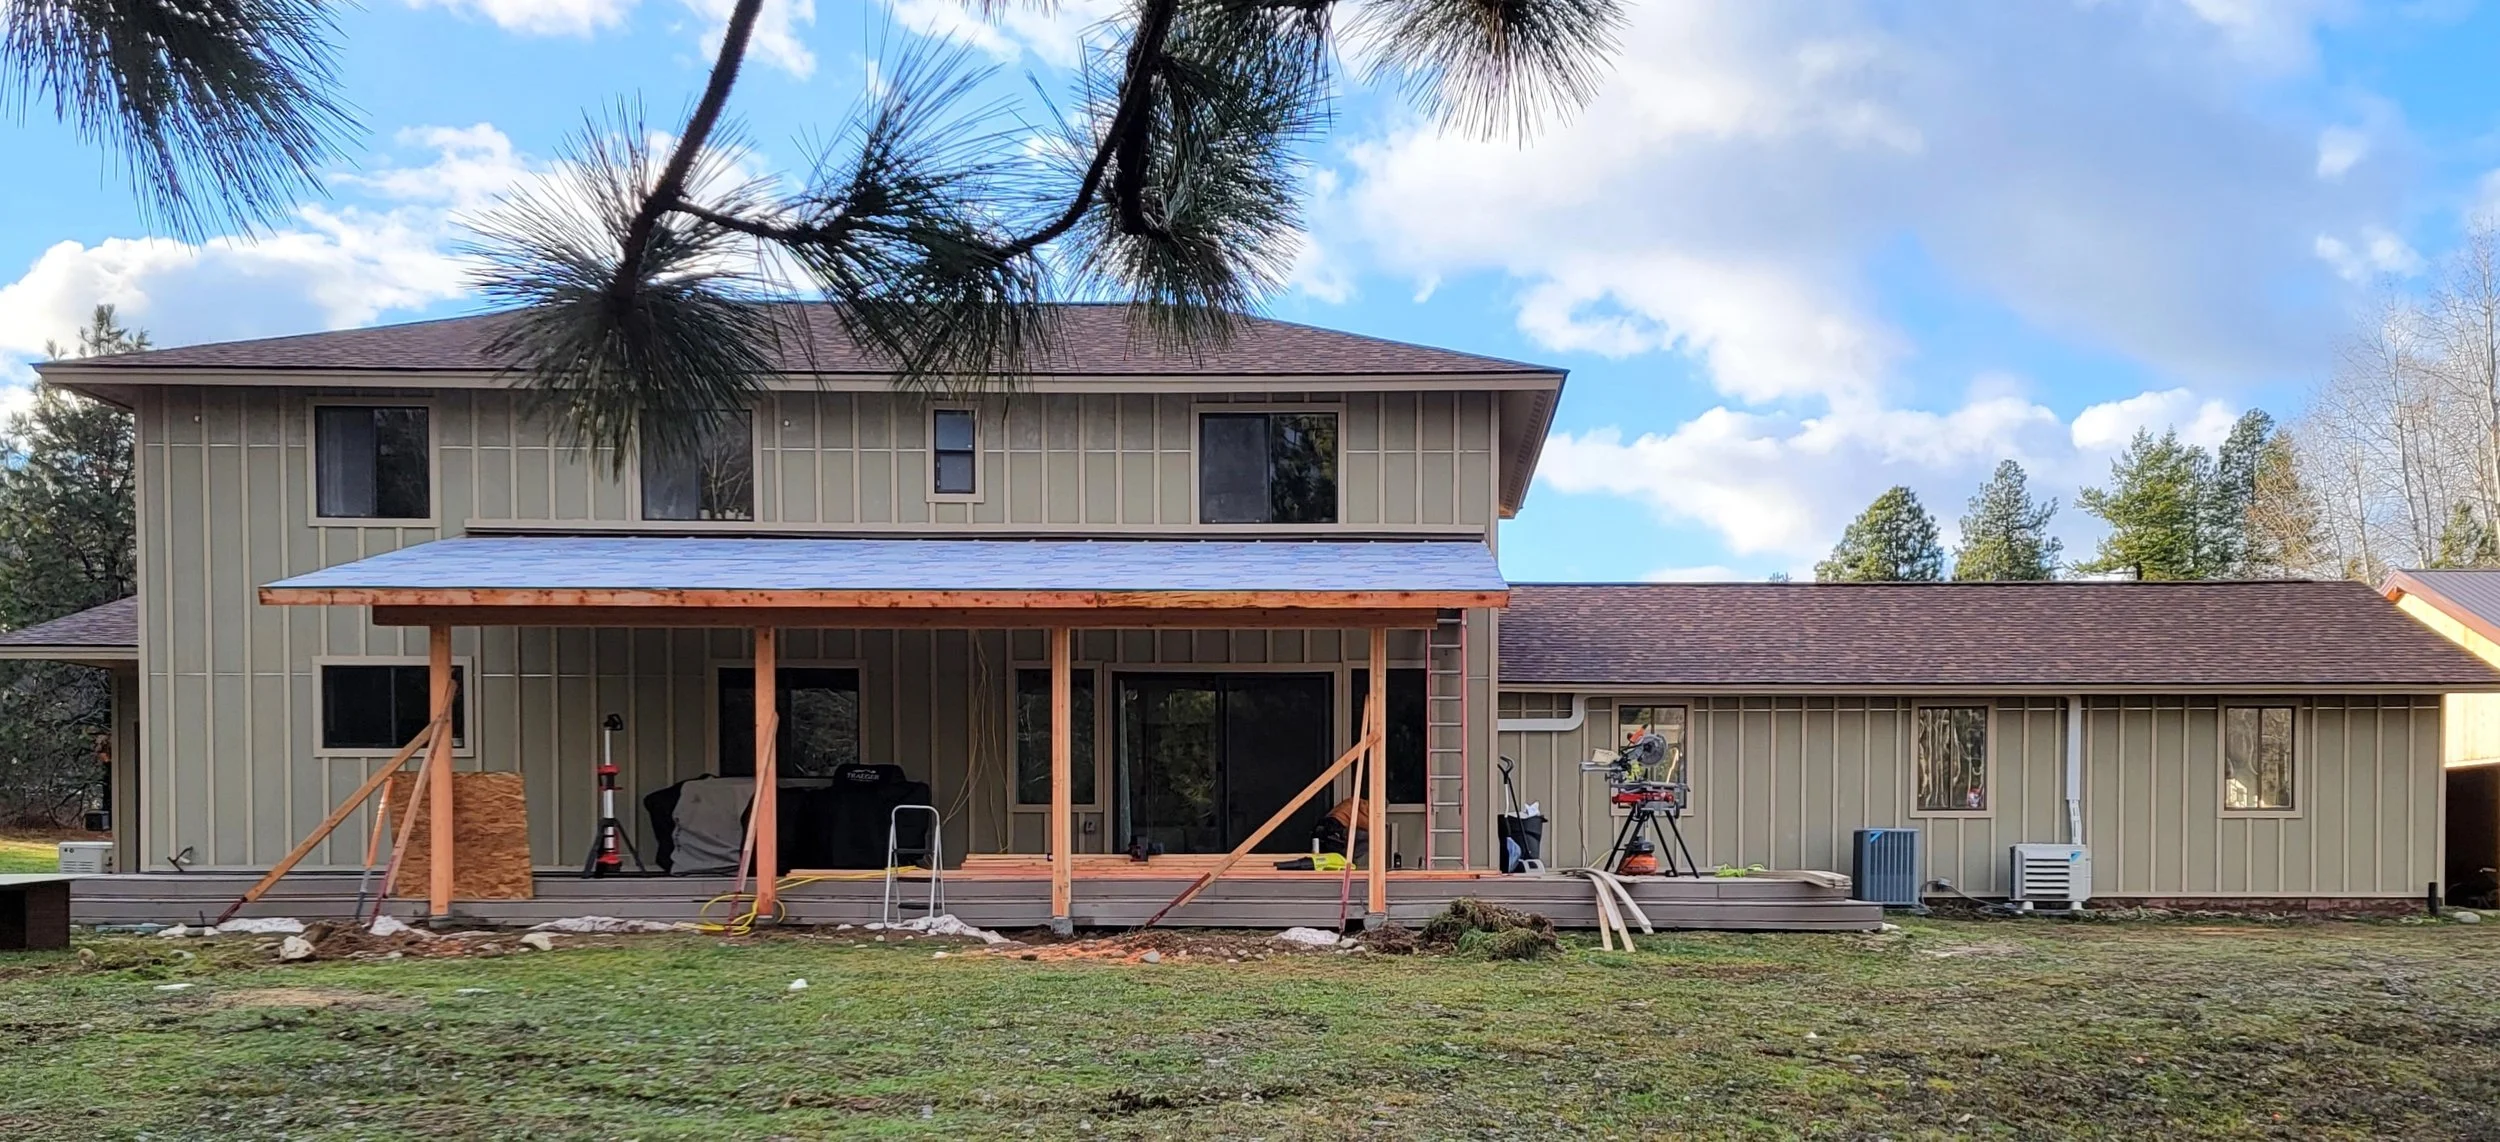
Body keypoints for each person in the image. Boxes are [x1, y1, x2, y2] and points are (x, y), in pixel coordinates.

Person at [1312, 792, 1381, 863]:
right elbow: (1373, 828)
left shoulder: (1353, 800)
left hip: (1325, 824)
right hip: (1338, 829)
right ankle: (1349, 859)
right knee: (1373, 838)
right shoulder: (1367, 813)